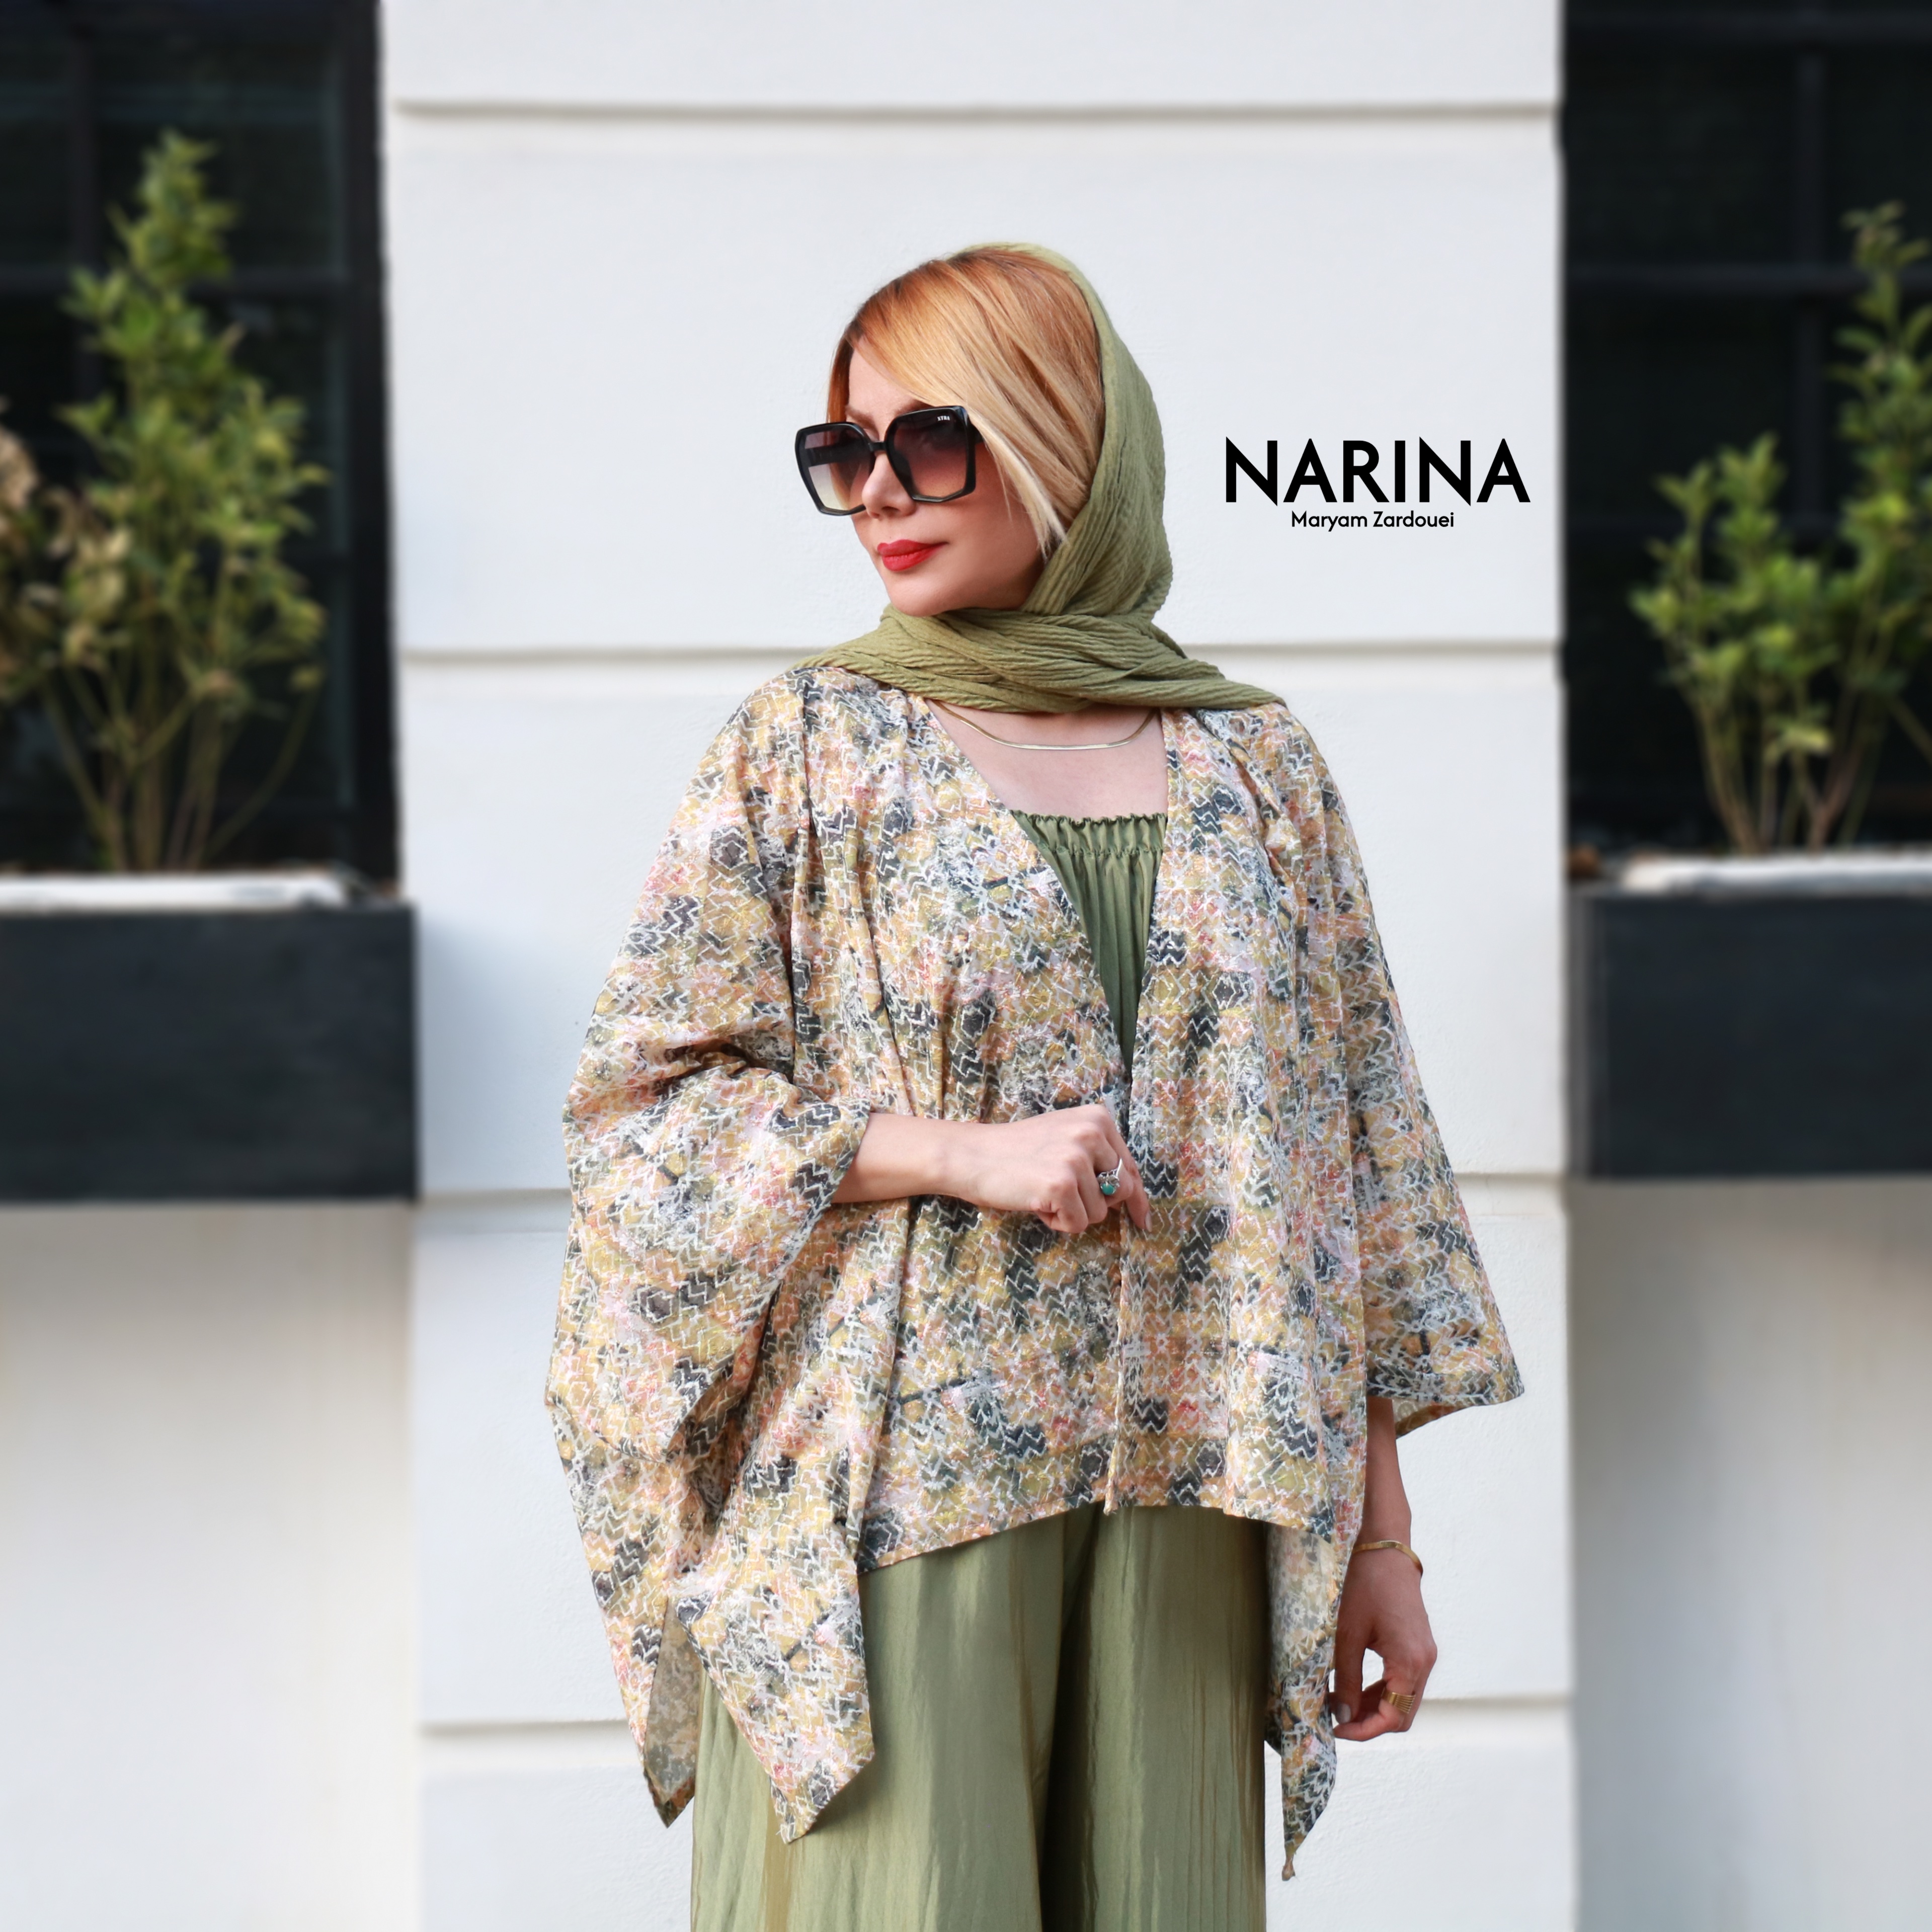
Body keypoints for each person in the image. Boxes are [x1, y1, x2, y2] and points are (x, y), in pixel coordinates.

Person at [548, 244, 1521, 1932]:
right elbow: (643, 1121)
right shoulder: (806, 748)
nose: (878, 494)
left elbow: (1355, 1166)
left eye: (929, 442)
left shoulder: (1259, 766)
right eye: (844, 452)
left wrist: (1382, 1543)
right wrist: (947, 1152)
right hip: (909, 1491)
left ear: (1063, 437)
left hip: (1200, 1490)